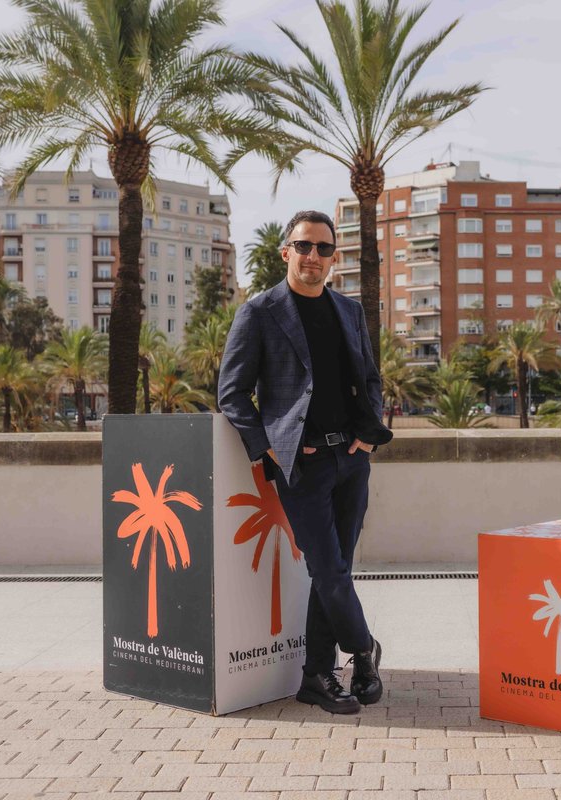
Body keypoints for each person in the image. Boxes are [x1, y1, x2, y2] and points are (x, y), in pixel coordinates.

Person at [218, 209, 393, 715]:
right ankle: (364, 649)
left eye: (321, 248)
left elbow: (372, 380)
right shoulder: (259, 311)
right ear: (285, 252)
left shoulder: (350, 311)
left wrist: (366, 437)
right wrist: (270, 447)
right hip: (303, 465)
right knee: (331, 570)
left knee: (332, 570)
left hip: (352, 460)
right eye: (303, 246)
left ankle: (315, 675)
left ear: (334, 257)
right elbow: (232, 395)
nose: (311, 256)